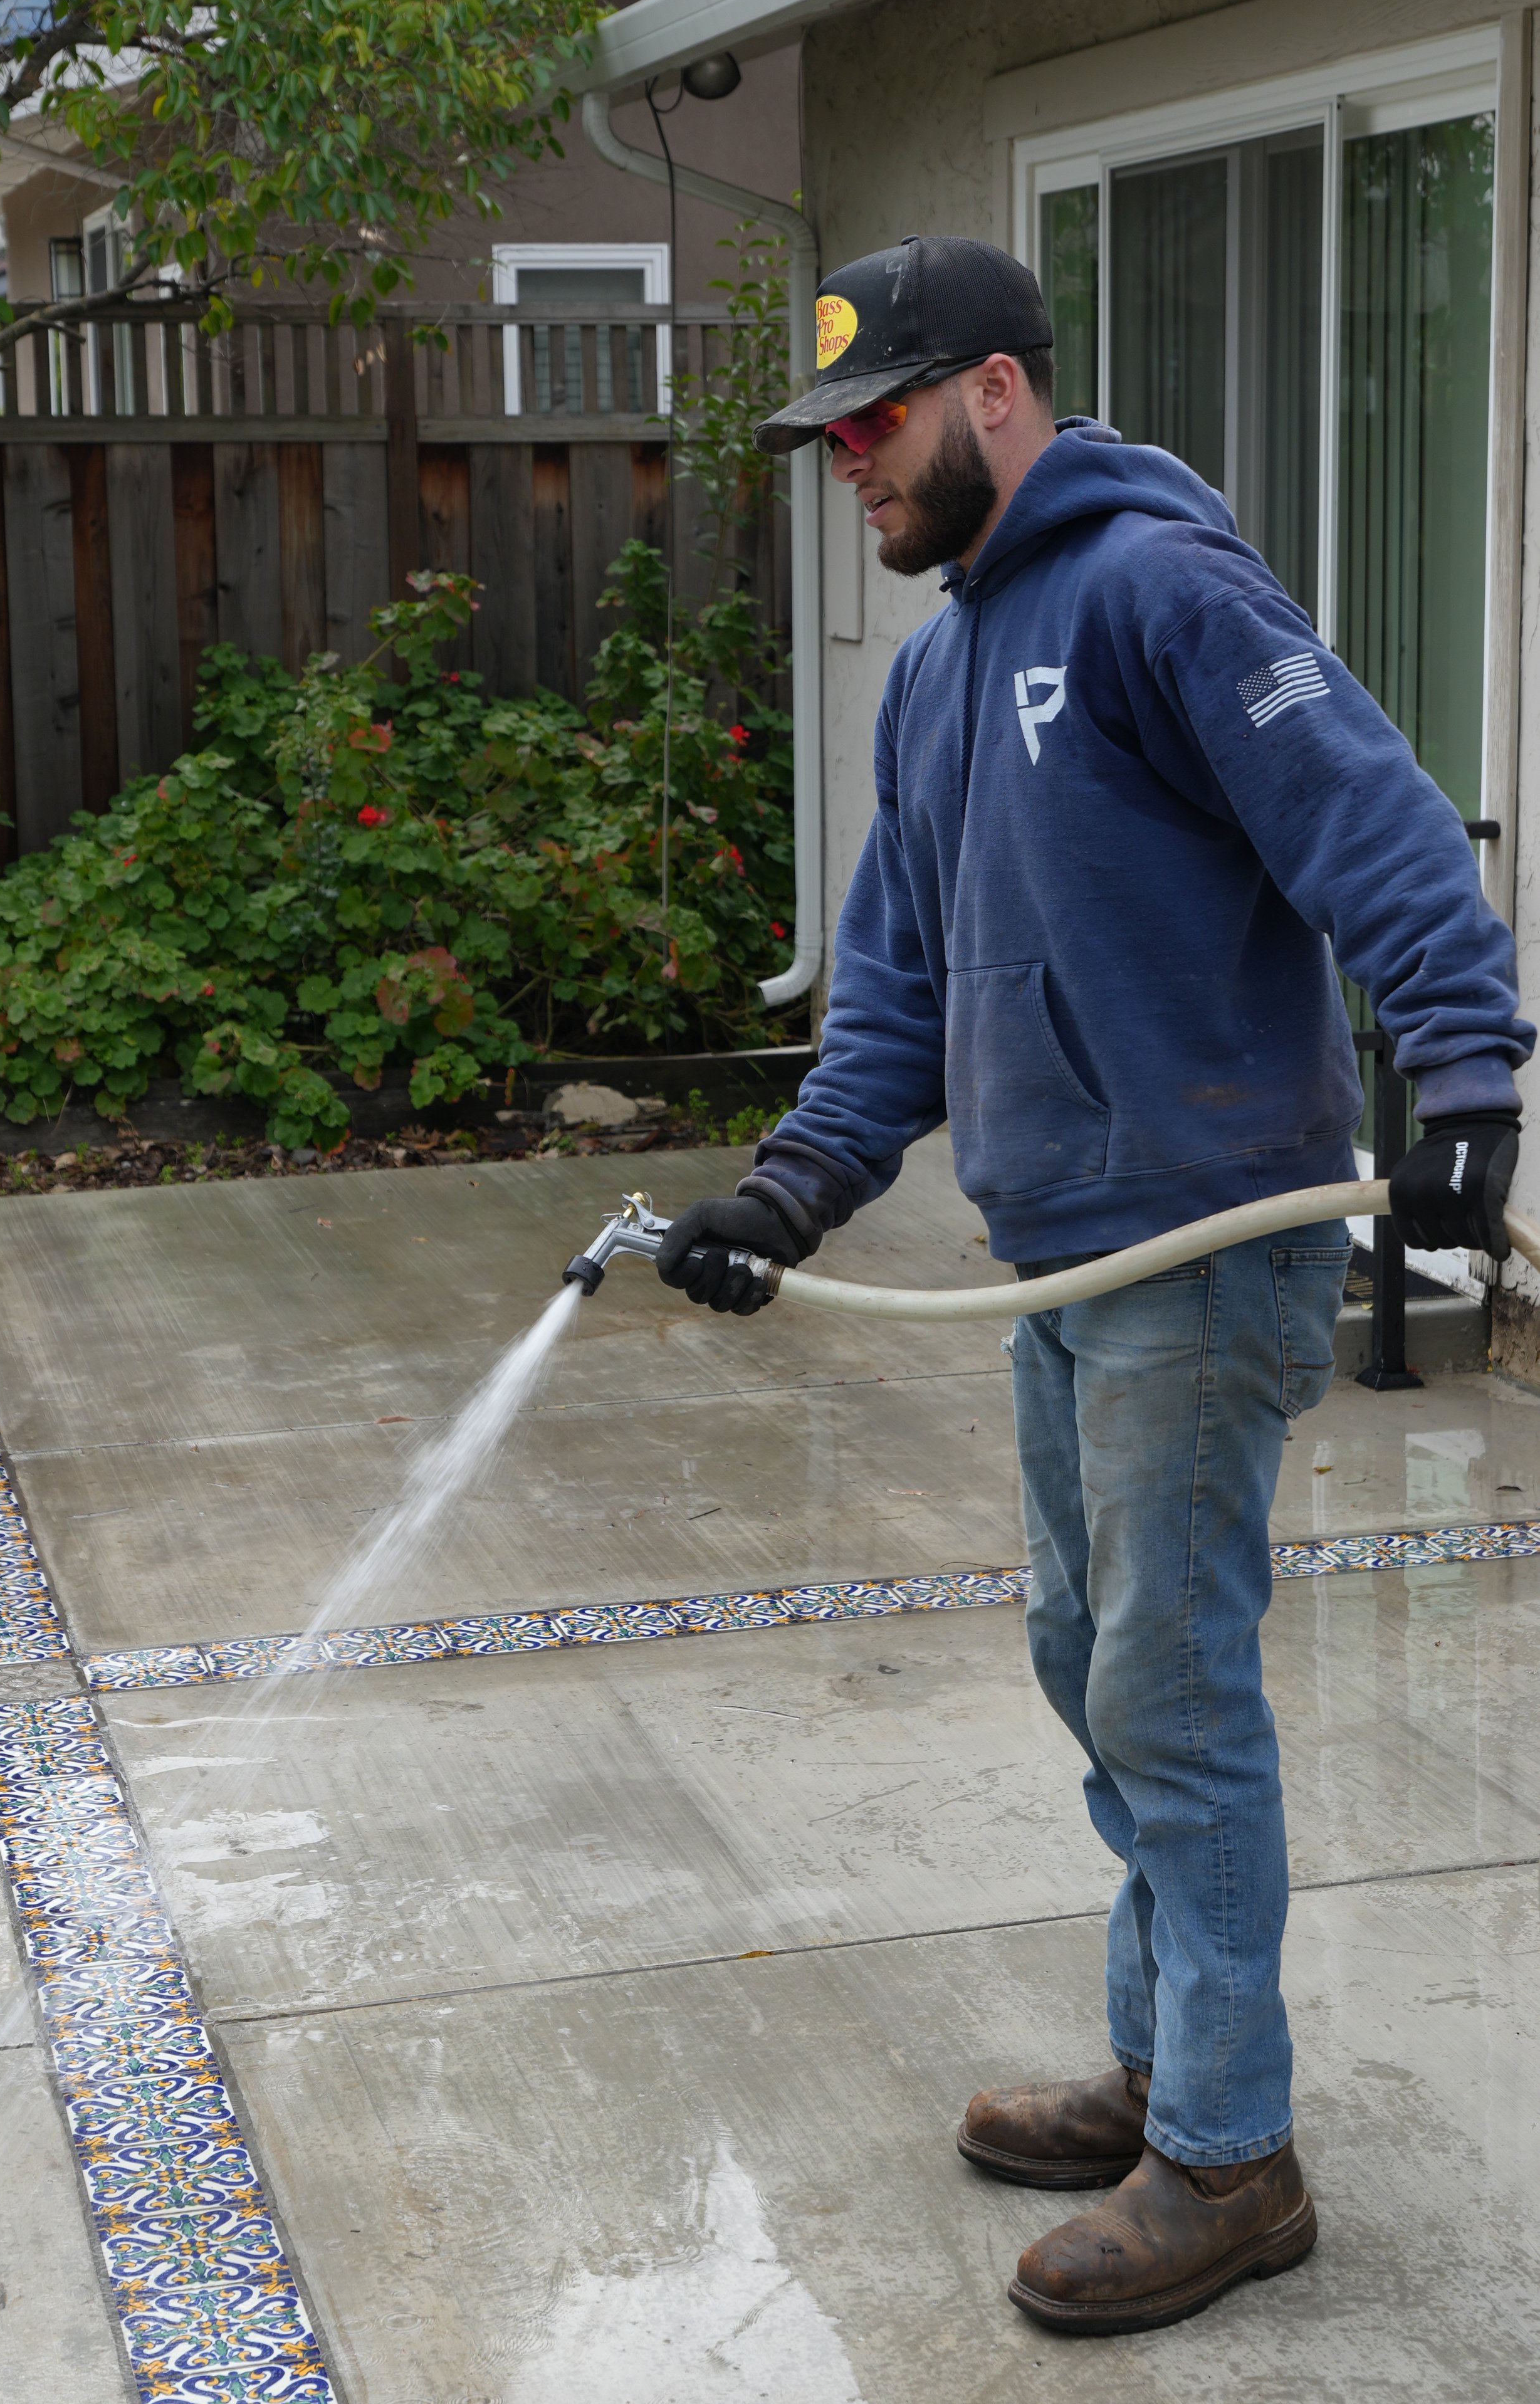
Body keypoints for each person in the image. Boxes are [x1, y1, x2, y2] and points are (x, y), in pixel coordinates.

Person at [654, 234, 1532, 2338]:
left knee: (1170, 1688)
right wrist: (790, 1194)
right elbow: (893, 993)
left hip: (1199, 1245)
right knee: (1091, 1665)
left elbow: (1378, 829)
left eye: (873, 422)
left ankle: (1228, 2159)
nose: (847, 466)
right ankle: (1163, 2073)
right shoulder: (943, 671)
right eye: (830, 439)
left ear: (996, 395)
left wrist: (1470, 1084)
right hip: (1058, 1254)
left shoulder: (1160, 588)